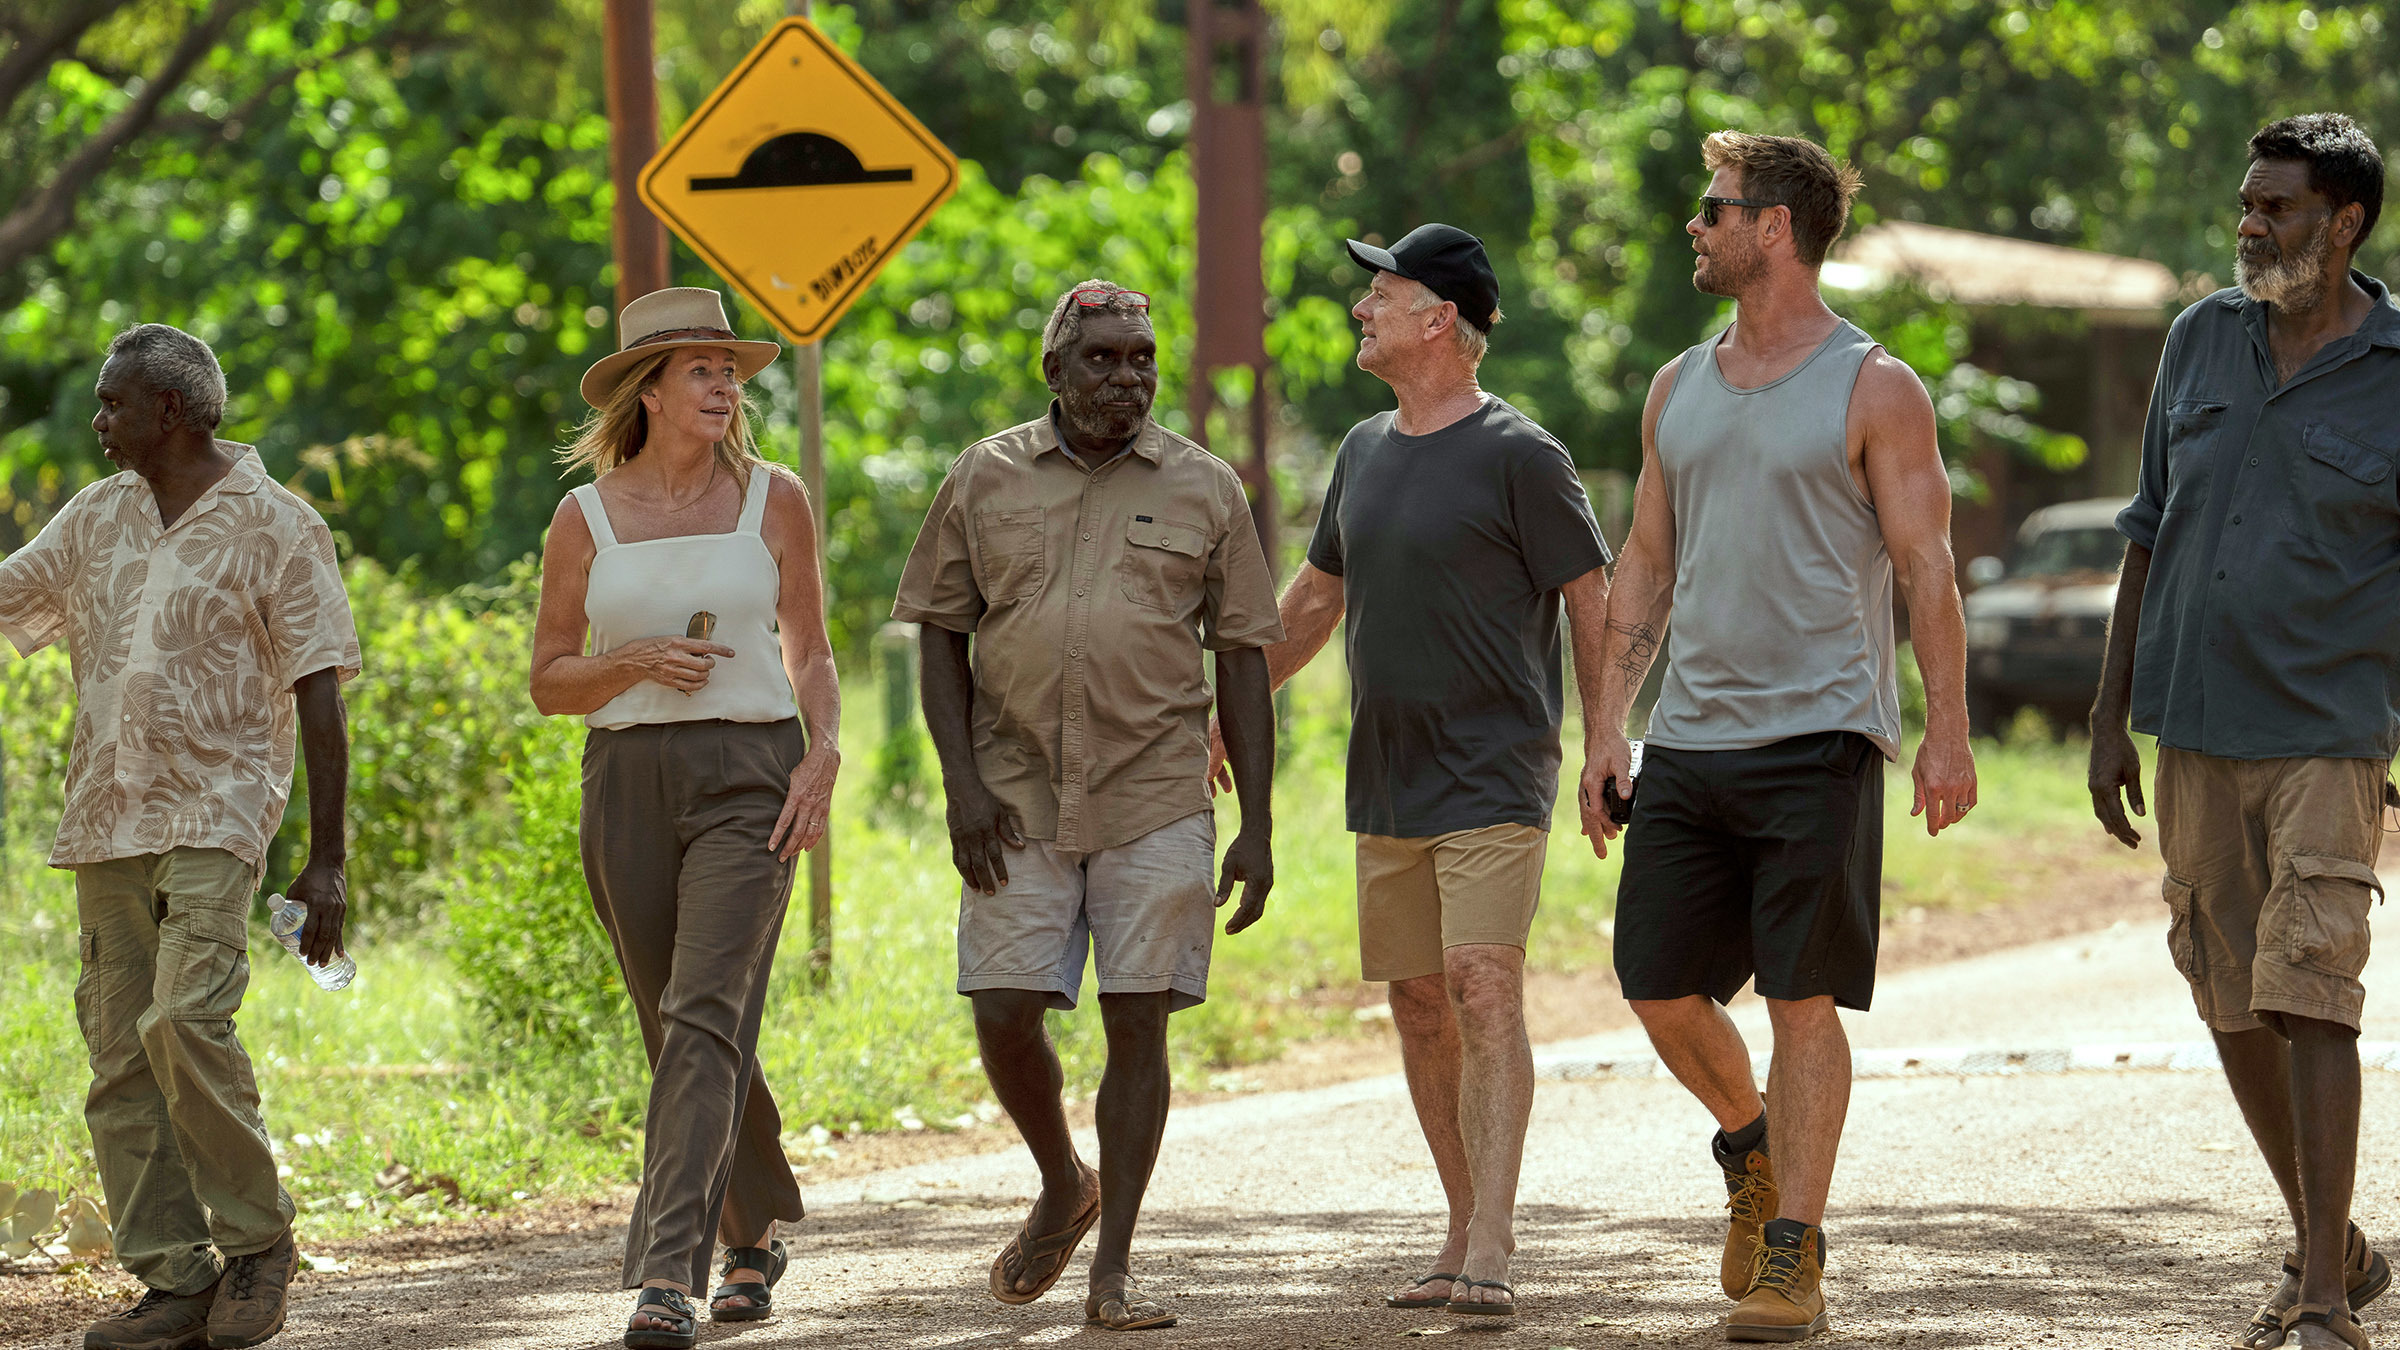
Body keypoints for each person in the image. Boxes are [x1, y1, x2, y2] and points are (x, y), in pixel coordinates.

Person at [1585, 132, 1977, 1343]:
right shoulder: (1676, 386)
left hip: (1822, 734)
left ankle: (1794, 1252)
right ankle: (1750, 1148)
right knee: (1656, 985)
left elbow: (1925, 566)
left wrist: (1948, 730)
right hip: (1690, 737)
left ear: (1776, 228)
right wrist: (1606, 726)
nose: (1695, 227)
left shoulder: (1875, 386)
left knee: (1804, 998)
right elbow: (1645, 559)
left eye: (1715, 210)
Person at [1211, 224, 1613, 1318]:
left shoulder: (1522, 453)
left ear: (1440, 319)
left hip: (1496, 768)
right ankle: (1458, 1220)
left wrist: (1605, 739)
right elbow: (1314, 598)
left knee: (1482, 979)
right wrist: (1232, 712)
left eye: (1380, 294)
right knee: (1419, 1001)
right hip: (1388, 774)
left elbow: (1589, 594)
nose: (1361, 309)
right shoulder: (1362, 449)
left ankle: (1493, 1237)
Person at [893, 278, 1280, 1331]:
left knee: (1137, 1019)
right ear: (1055, 370)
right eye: (1103, 358)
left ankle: (1113, 1269)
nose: (1127, 377)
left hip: (1156, 791)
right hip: (1012, 791)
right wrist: (961, 786)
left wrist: (1256, 825)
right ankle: (1064, 1181)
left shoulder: (1206, 487)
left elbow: (1243, 657)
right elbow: (940, 628)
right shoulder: (985, 474)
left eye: (1142, 358)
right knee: (1003, 1008)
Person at [2089, 113, 2397, 1350]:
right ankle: (2335, 1243)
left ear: (2345, 222)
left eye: (2277, 207)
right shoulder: (2199, 339)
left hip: (2329, 726)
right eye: (2247, 203)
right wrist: (2109, 713)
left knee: (2313, 993)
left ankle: (2320, 1298)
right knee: (2231, 999)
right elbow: (2146, 530)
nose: (2251, 225)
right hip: (2193, 723)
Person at [0, 324, 359, 1350]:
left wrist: (327, 860)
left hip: (219, 809)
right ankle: (175, 1281)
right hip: (105, 815)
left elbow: (321, 694)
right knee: (119, 1054)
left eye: (112, 402)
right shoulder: (95, 515)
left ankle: (258, 1244)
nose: (97, 421)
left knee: (184, 1021)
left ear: (172, 409)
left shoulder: (279, 524)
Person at [528, 287, 841, 1350]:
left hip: (752, 771)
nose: (724, 386)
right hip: (625, 779)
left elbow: (811, 649)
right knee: (677, 1023)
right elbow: (549, 681)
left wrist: (824, 750)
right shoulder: (584, 518)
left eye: (730, 370)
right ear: (648, 392)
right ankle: (754, 1233)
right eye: (700, 369)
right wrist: (630, 663)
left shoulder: (775, 499)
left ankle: (669, 1273)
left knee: (705, 1008)